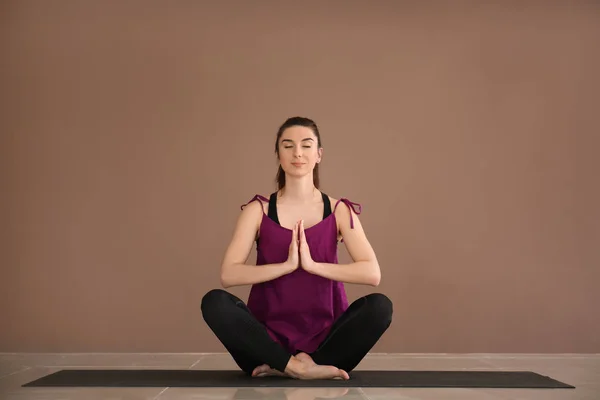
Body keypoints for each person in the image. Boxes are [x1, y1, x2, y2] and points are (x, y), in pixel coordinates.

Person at [201, 117, 393, 380]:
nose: (298, 153)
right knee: (214, 302)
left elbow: (372, 274)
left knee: (380, 307)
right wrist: (286, 266)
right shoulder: (258, 210)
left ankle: (301, 364)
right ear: (278, 154)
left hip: (325, 342)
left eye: (306, 145)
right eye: (288, 146)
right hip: (265, 345)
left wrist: (312, 266)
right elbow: (229, 275)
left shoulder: (339, 210)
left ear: (319, 154)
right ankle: (295, 367)